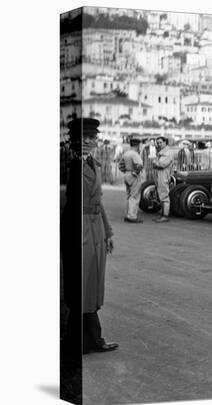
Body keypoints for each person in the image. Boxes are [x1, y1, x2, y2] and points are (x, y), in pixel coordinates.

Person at [61, 118, 118, 355]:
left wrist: (109, 232)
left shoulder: (92, 162)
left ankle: (88, 339)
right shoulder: (69, 165)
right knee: (79, 285)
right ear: (73, 141)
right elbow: (66, 203)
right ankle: (79, 341)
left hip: (94, 230)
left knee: (91, 284)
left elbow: (99, 201)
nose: (86, 141)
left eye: (91, 137)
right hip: (79, 229)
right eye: (81, 137)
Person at [121, 137, 145, 223]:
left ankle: (127, 214)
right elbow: (139, 165)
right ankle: (132, 216)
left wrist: (126, 171)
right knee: (134, 196)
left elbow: (121, 166)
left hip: (127, 174)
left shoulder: (126, 153)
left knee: (128, 196)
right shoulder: (135, 154)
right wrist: (135, 172)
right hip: (134, 175)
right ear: (137, 145)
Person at [152, 136, 173, 223]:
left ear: (165, 142)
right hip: (160, 175)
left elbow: (162, 164)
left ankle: (165, 215)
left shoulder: (168, 152)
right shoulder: (161, 152)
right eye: (158, 143)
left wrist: (155, 162)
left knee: (164, 195)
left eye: (161, 142)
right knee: (161, 195)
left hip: (164, 175)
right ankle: (163, 213)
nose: (159, 144)